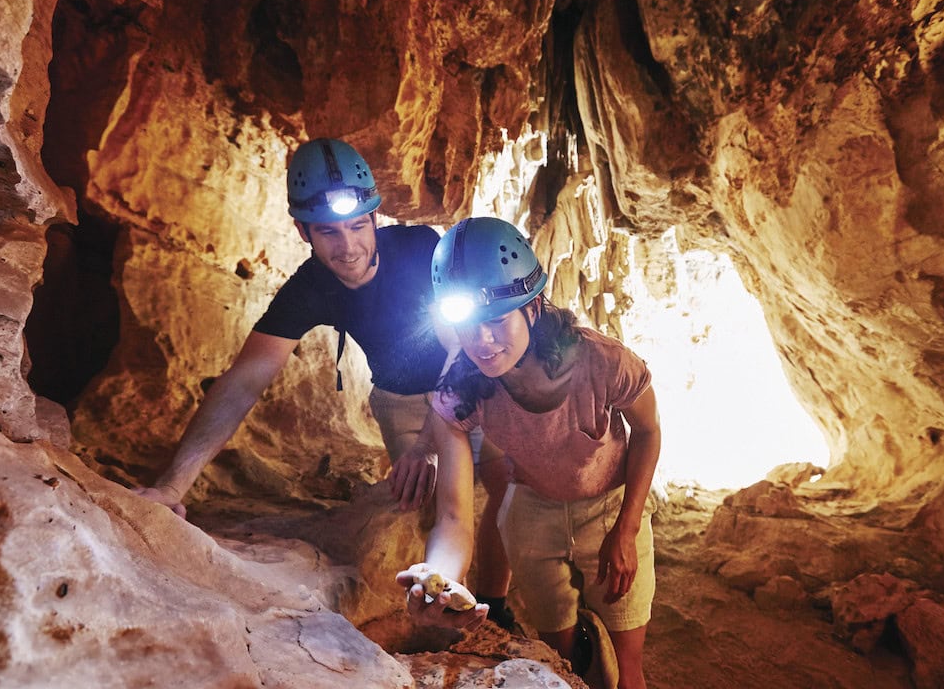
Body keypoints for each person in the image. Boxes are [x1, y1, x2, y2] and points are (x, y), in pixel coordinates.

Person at [134, 138, 515, 627]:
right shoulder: (309, 288)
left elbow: (461, 349)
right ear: (303, 231)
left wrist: (429, 442)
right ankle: (439, 596)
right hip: (398, 399)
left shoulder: (422, 251)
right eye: (329, 233)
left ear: (376, 218)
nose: (349, 246)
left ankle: (498, 605)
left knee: (504, 482)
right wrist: (171, 486)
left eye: (359, 226)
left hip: (464, 381)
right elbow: (243, 382)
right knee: (423, 498)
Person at [396, 217, 661, 689]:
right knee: (559, 656)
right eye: (468, 326)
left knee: (630, 662)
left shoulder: (601, 362)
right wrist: (438, 577)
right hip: (532, 511)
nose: (483, 342)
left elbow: (648, 429)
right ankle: (584, 651)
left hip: (607, 503)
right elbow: (455, 517)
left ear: (533, 307)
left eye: (497, 320)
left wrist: (628, 525)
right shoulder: (460, 391)